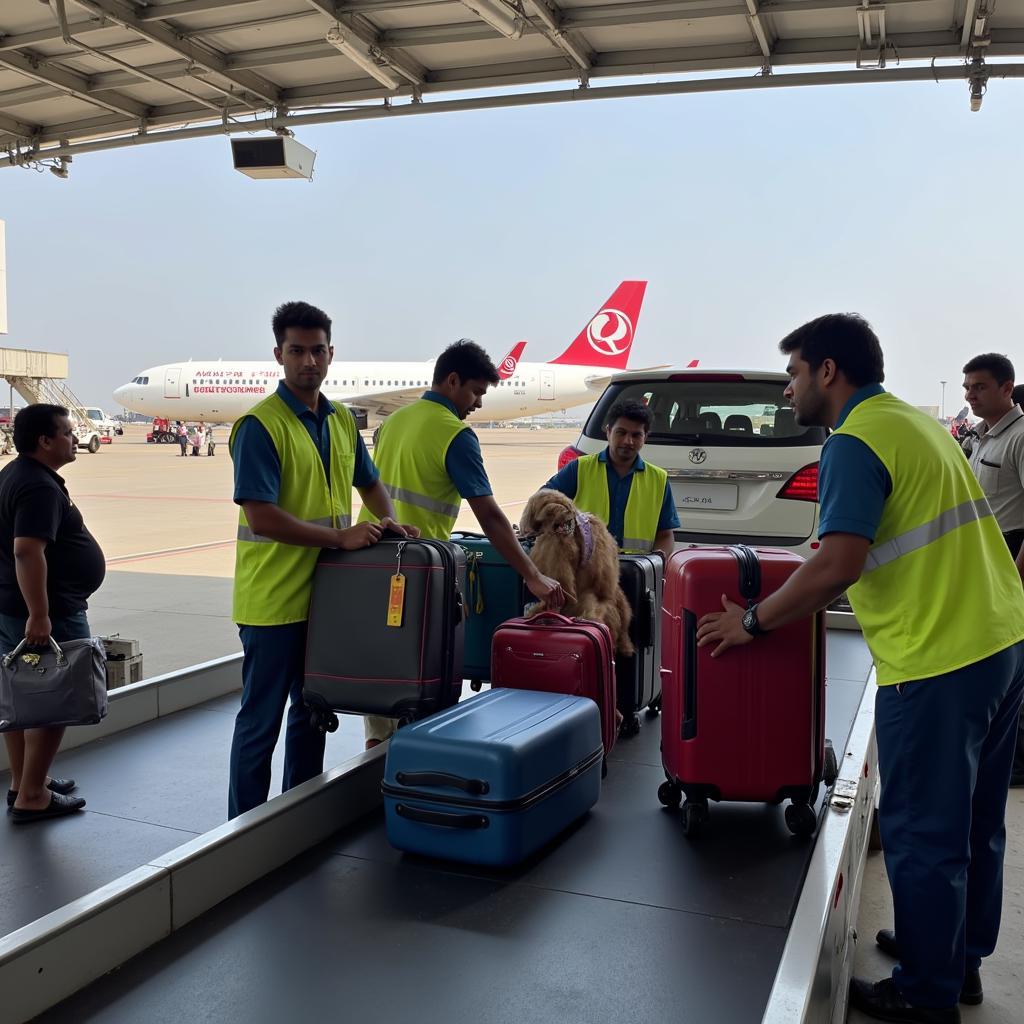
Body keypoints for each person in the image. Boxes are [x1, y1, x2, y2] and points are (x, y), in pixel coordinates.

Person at [695, 314, 1024, 1024]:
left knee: (923, 833)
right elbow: (856, 536)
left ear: (828, 372)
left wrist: (751, 622)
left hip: (938, 658)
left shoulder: (851, 442)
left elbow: (836, 568)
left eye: (792, 374)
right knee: (975, 824)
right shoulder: (914, 423)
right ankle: (955, 960)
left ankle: (926, 993)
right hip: (1001, 639)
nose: (787, 390)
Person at [228, 301, 418, 818]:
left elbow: (370, 479)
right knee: (260, 722)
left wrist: (388, 519)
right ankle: (238, 834)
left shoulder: (338, 421)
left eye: (317, 350)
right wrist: (340, 540)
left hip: (327, 599)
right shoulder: (260, 426)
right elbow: (262, 517)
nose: (307, 360)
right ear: (279, 355)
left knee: (311, 715)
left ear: (331, 354)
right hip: (272, 600)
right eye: (296, 351)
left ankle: (295, 817)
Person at [359, 338, 565, 748]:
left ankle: (375, 754)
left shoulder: (396, 421)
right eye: (475, 392)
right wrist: (533, 574)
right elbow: (489, 516)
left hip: (371, 560)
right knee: (422, 673)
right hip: (418, 569)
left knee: (380, 667)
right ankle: (417, 763)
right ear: (452, 381)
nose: (477, 404)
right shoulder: (455, 434)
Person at [0, 405, 105, 822]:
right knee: (52, 700)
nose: (74, 438)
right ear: (45, 441)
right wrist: (40, 615)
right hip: (50, 614)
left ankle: (24, 781)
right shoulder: (38, 487)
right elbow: (27, 550)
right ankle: (33, 796)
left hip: (14, 608)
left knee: (23, 694)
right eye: (66, 432)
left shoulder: (15, 473)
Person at [962, 354, 1024, 789]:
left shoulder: (1020, 437)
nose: (969, 395)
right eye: (967, 387)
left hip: (1012, 557)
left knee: (1014, 663)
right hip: (986, 559)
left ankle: (1017, 761)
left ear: (1007, 388)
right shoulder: (980, 437)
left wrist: (1016, 578)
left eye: (980, 387)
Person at [542, 398, 678, 561]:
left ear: (645, 437)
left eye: (636, 435)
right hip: (586, 571)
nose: (628, 441)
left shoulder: (658, 479)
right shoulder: (579, 468)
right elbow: (543, 503)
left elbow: (665, 535)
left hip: (635, 573)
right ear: (608, 431)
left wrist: (656, 561)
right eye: (621, 432)